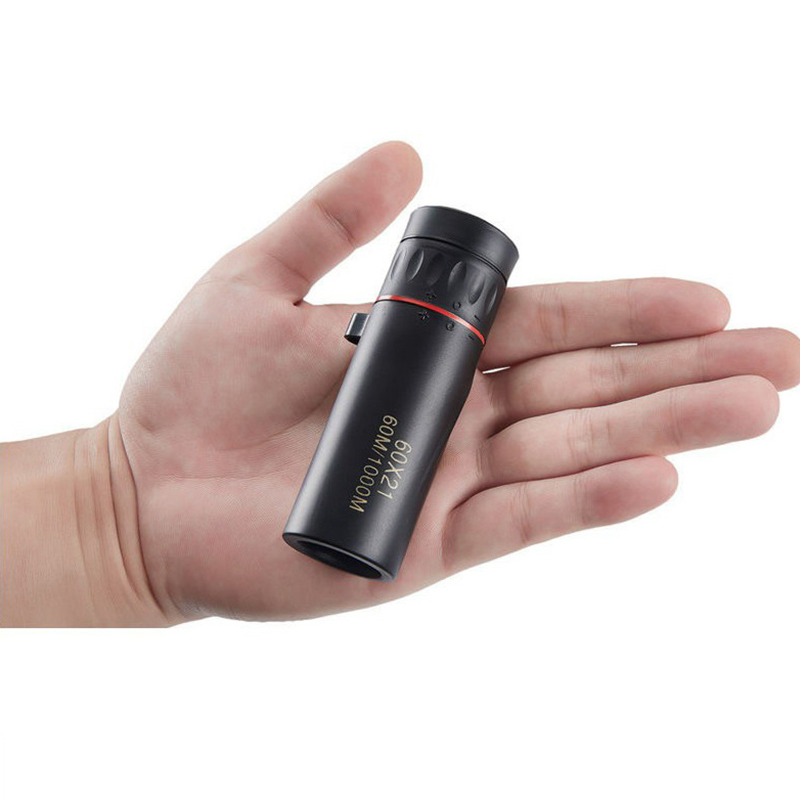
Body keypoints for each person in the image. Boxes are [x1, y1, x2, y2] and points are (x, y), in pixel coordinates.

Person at [2, 141, 799, 627]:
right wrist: (111, 512)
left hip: (431, 345)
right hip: (427, 345)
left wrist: (109, 517)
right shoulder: (418, 316)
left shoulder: (427, 315)